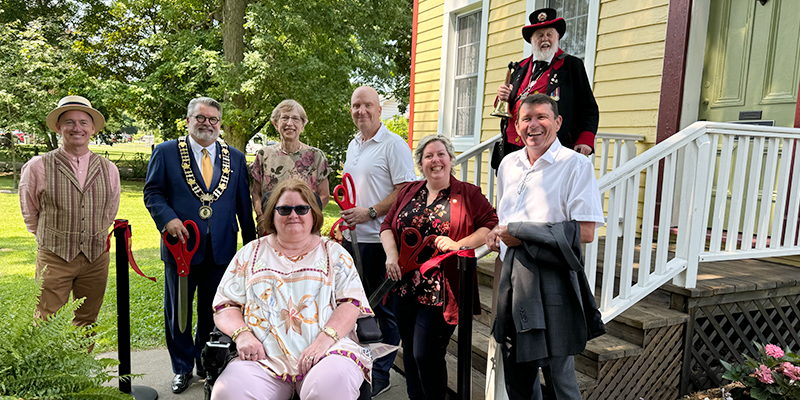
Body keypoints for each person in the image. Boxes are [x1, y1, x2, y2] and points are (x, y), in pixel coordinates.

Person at [486, 94, 606, 400]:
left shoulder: (575, 166)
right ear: (516, 125)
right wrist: (498, 234)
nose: (533, 125)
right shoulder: (508, 165)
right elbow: (506, 220)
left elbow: (587, 231)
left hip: (553, 278)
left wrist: (521, 234)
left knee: (558, 377)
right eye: (525, 119)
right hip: (513, 277)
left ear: (557, 122)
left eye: (541, 117)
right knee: (518, 373)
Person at [210, 178, 373, 400]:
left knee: (332, 386)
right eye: (284, 209)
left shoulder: (334, 253)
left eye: (302, 208)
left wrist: (323, 342)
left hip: (328, 352)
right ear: (272, 215)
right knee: (228, 392)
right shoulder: (250, 254)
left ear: (313, 214)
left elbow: (351, 303)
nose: (293, 215)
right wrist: (242, 335)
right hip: (263, 359)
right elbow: (225, 304)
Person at [143, 96, 257, 394]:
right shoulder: (166, 152)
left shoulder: (235, 157)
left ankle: (207, 365)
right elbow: (153, 193)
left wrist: (251, 245)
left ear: (220, 124)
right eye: (201, 118)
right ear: (189, 119)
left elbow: (243, 205)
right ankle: (182, 368)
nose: (207, 124)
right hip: (181, 248)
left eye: (213, 120)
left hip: (221, 249)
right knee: (178, 312)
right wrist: (168, 219)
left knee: (216, 312)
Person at [380, 134, 497, 400]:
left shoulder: (467, 193)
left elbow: (490, 222)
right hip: (404, 287)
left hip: (441, 292)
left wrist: (460, 244)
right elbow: (387, 226)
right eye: (429, 155)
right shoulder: (409, 191)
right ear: (421, 163)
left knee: (427, 353)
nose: (435, 160)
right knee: (409, 349)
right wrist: (391, 255)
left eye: (441, 154)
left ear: (450, 159)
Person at [340, 85, 417, 396]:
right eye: (356, 105)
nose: (362, 111)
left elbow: (406, 190)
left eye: (367, 105)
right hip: (352, 239)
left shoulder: (393, 145)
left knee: (383, 309)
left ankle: (381, 373)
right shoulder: (353, 144)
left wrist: (370, 212)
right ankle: (361, 364)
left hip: (378, 241)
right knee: (357, 308)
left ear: (379, 109)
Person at [19, 95, 120, 328]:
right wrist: (52, 238)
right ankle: (47, 366)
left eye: (84, 122)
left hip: (96, 257)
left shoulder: (108, 168)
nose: (77, 128)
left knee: (87, 320)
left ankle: (81, 364)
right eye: (70, 122)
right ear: (58, 127)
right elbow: (30, 211)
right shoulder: (38, 166)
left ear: (93, 128)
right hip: (54, 255)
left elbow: (110, 210)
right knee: (46, 319)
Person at [491, 7, 599, 170]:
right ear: (532, 40)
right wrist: (502, 97)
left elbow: (588, 107)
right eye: (539, 36)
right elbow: (507, 106)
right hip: (514, 148)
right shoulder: (520, 68)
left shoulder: (571, 65)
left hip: (551, 149)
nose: (545, 39)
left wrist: (585, 139)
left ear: (557, 37)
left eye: (549, 34)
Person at [250, 100, 331, 234]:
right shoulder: (264, 154)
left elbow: (324, 195)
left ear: (302, 125)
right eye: (285, 118)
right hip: (270, 229)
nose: (290, 123)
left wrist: (307, 219)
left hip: (305, 229)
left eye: (295, 118)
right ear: (276, 124)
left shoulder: (316, 156)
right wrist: (262, 218)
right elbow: (256, 193)